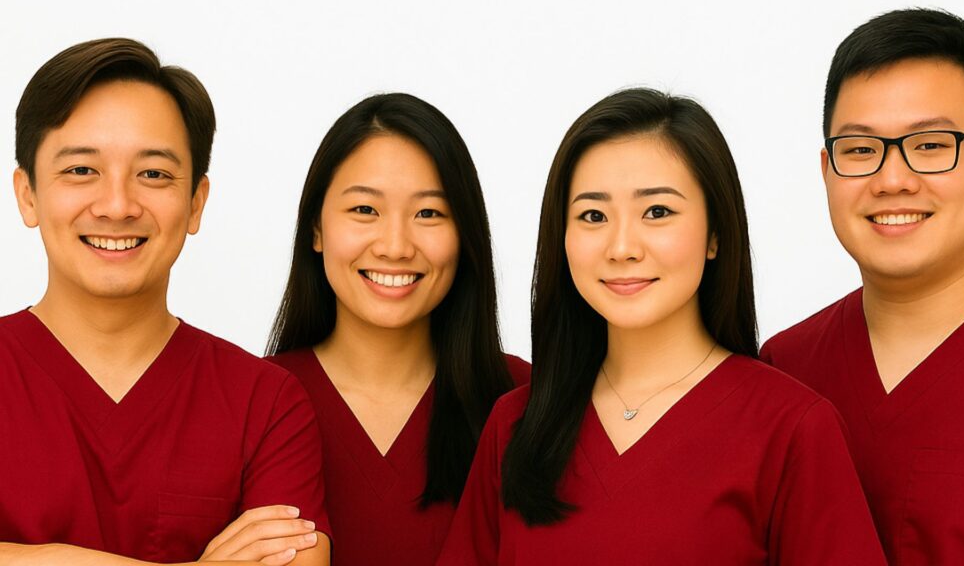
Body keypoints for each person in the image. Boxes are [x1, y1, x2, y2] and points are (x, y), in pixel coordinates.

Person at [437, 88, 885, 564]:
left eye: (657, 212)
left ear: (716, 233)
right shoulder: (515, 425)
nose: (622, 246)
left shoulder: (792, 428)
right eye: (593, 215)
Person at [1, 38, 330, 565]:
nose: (117, 205)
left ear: (196, 203)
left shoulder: (265, 404)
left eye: (153, 174)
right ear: (28, 195)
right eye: (81, 170)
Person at [760, 8, 964, 565]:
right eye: (860, 150)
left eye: (930, 145)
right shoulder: (784, 367)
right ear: (827, 171)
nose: (893, 179)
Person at [266, 92, 529, 566]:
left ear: (465, 234)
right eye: (365, 210)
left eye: (429, 213)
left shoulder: (527, 401)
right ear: (316, 230)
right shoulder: (253, 401)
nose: (395, 246)